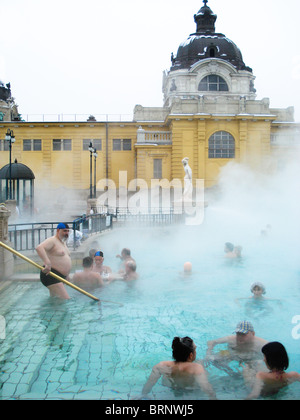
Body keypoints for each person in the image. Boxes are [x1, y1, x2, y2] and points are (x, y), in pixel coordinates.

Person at [141, 336, 216, 399]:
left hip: (171, 391)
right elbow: (206, 387)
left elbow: (149, 384)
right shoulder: (196, 368)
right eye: (195, 349)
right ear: (191, 355)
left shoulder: (161, 365)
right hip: (191, 393)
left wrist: (143, 395)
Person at [35, 223, 72, 299]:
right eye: (64, 231)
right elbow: (39, 248)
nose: (67, 233)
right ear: (58, 230)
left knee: (55, 301)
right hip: (51, 274)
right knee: (66, 300)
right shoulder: (52, 240)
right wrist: (47, 262)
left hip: (60, 276)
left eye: (68, 231)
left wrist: (66, 275)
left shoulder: (63, 242)